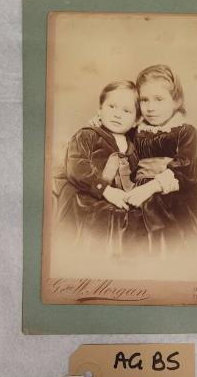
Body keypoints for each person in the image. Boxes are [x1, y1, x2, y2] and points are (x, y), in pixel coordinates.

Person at [124, 64, 197, 255]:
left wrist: (150, 188)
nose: (150, 108)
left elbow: (187, 168)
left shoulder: (185, 131)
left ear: (176, 101)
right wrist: (101, 123)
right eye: (144, 100)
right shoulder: (135, 131)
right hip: (139, 188)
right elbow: (115, 145)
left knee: (172, 230)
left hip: (175, 191)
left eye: (159, 99)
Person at [53, 80, 143, 256]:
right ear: (100, 110)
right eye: (112, 107)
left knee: (139, 217)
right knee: (105, 216)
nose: (118, 114)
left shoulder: (132, 147)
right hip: (85, 193)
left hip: (115, 196)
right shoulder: (87, 135)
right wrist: (106, 191)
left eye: (126, 111)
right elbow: (77, 167)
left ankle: (127, 261)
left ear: (136, 120)